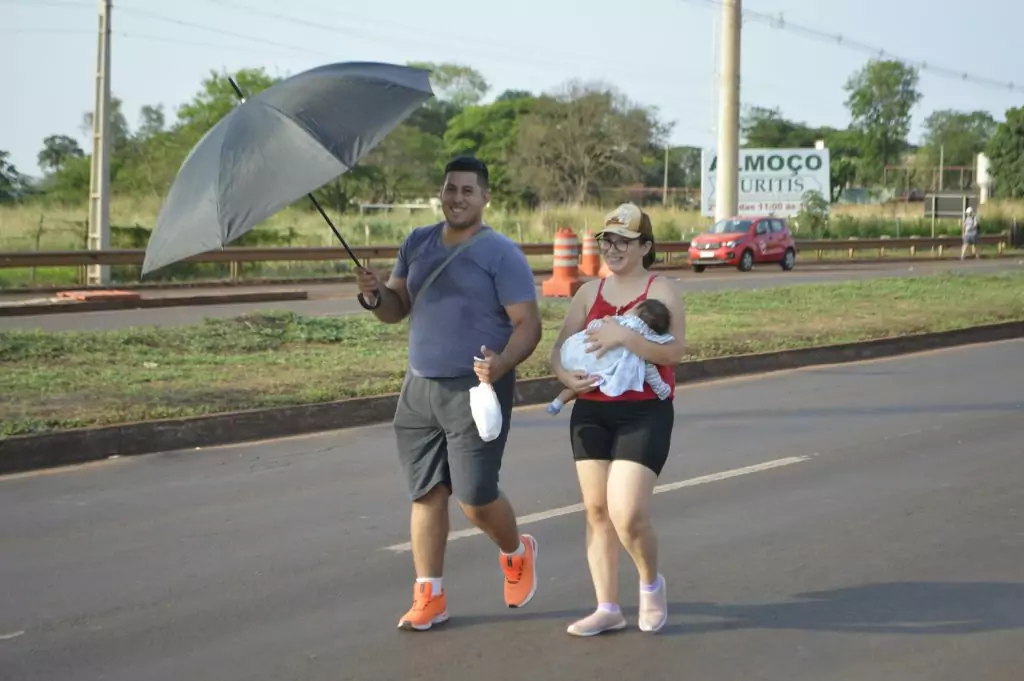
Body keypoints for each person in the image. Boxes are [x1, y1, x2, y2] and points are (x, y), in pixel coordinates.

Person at [355, 156, 543, 632]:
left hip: (477, 389)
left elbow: (528, 324)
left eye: (467, 190)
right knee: (426, 493)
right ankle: (430, 595)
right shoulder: (417, 243)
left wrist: (502, 363)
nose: (456, 198)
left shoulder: (501, 253)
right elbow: (396, 308)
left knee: (475, 497)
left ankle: (516, 551)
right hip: (419, 388)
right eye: (450, 189)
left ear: (485, 198)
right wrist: (374, 295)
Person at [549, 202, 686, 637]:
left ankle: (650, 584)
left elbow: (673, 352)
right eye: (607, 240)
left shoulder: (662, 290)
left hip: (644, 411)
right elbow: (558, 349)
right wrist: (564, 376)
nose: (612, 248)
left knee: (626, 513)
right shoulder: (589, 292)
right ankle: (607, 607)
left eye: (623, 241)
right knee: (596, 511)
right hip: (591, 411)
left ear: (645, 246)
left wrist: (624, 336)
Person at [546, 298, 674, 415]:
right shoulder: (642, 343)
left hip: (575, 354)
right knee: (592, 381)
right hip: (596, 367)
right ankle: (561, 399)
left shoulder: (617, 321)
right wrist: (662, 390)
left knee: (583, 379)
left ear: (635, 310)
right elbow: (650, 372)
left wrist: (595, 326)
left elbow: (594, 326)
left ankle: (560, 399)